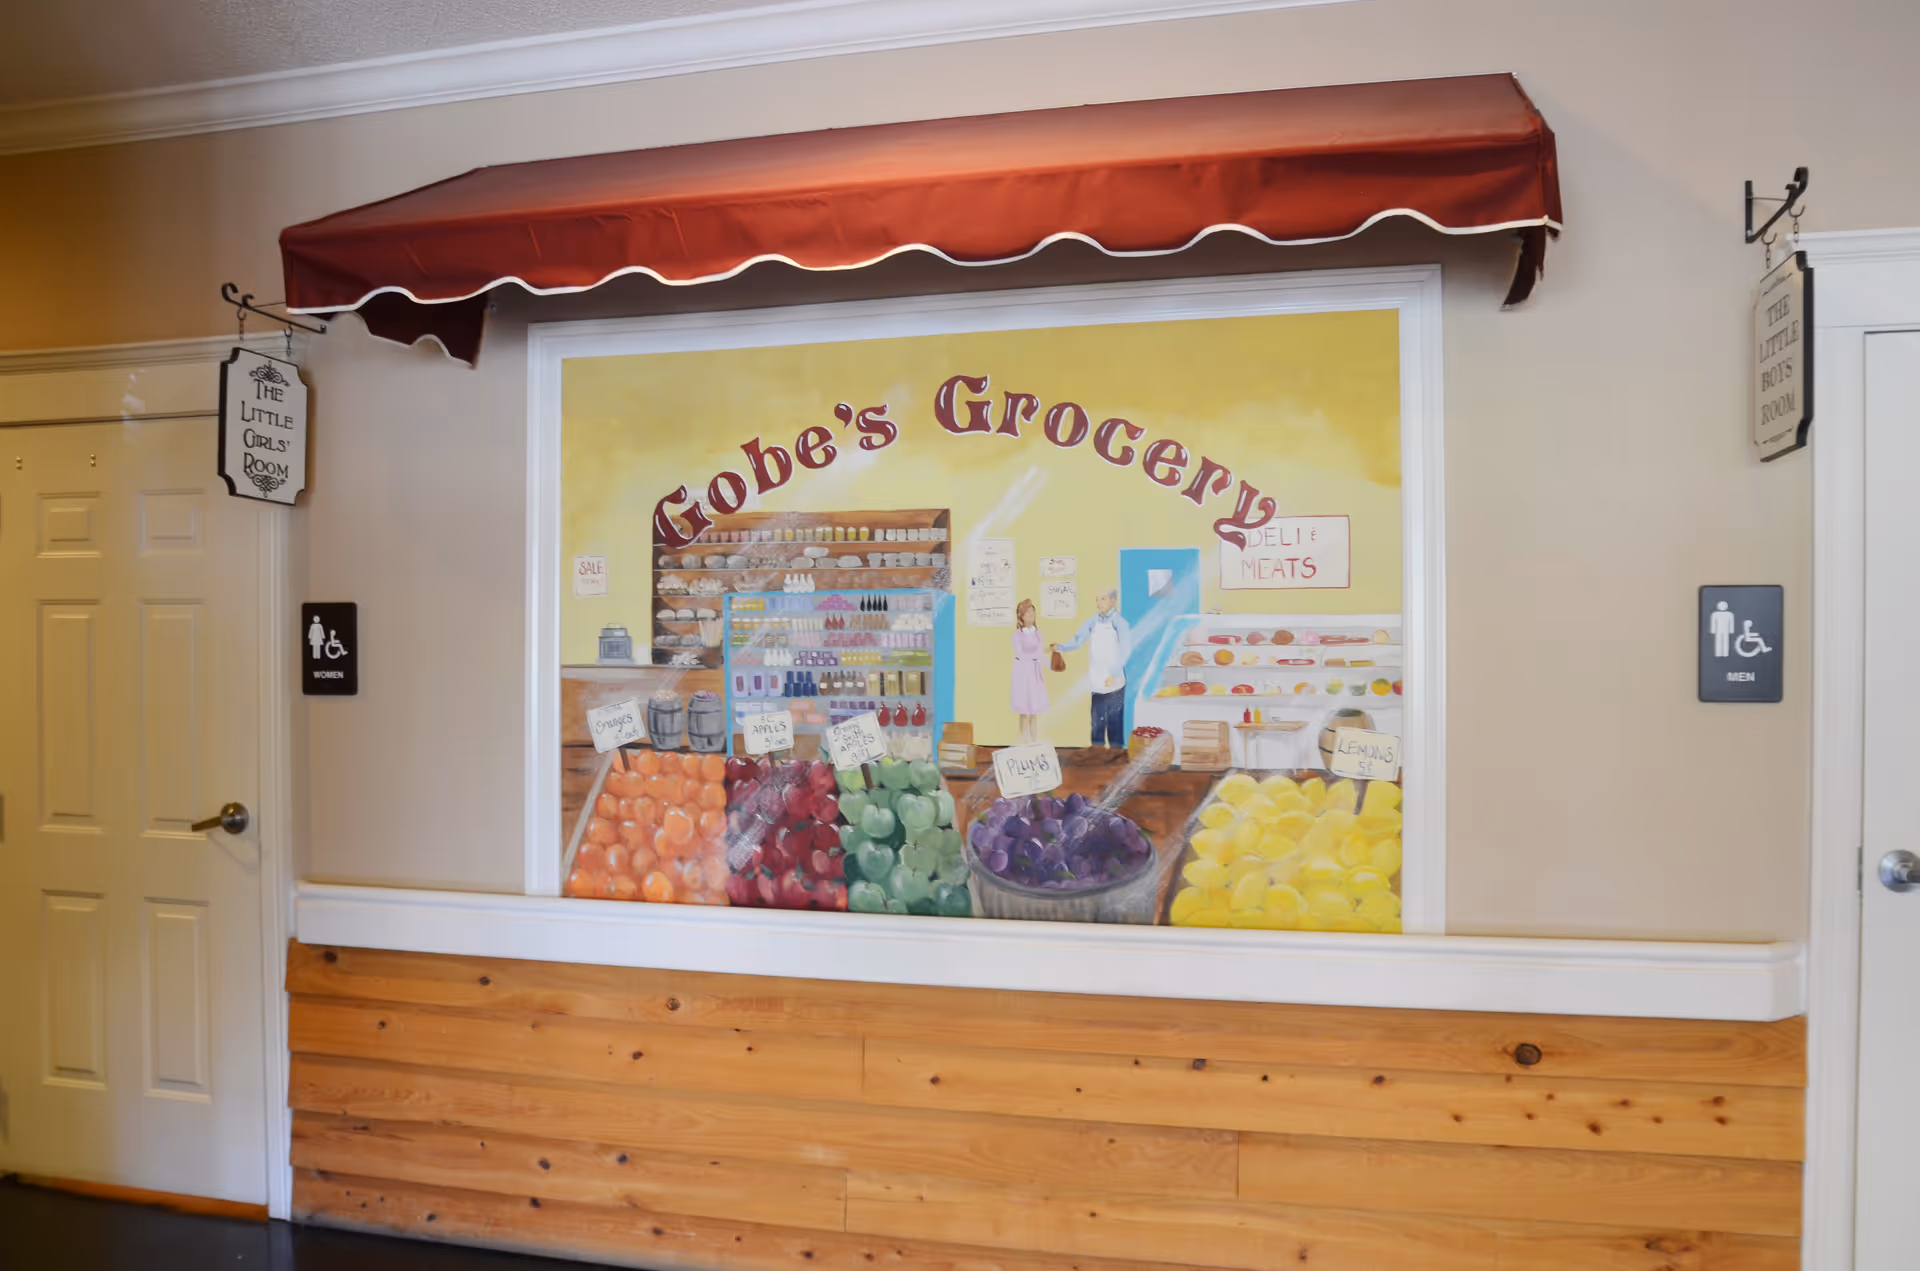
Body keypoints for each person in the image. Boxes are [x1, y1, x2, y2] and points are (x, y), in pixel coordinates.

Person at [1052, 587, 1132, 758]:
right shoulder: (1092, 622)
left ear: (1113, 601)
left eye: (1103, 599)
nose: (1099, 603)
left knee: (1114, 717)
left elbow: (1125, 650)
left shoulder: (1120, 624)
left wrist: (1114, 673)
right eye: (1097, 599)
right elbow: (1078, 640)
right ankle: (1097, 748)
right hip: (1097, 676)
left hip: (1114, 679)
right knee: (1097, 716)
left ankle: (1116, 751)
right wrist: (1061, 647)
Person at [1009, 599, 1050, 743]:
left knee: (1034, 711)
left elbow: (1040, 653)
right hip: (1022, 674)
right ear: (1021, 616)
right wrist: (1040, 654)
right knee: (1024, 711)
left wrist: (1051, 664)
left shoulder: (1037, 633)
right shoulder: (1017, 635)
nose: (1031, 615)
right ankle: (1024, 740)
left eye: (1033, 612)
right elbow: (1021, 654)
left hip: (1034, 674)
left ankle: (1034, 741)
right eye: (1028, 613)